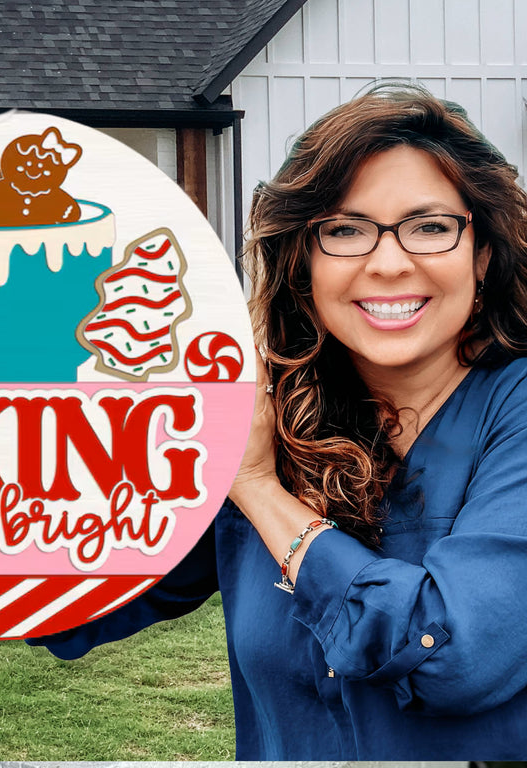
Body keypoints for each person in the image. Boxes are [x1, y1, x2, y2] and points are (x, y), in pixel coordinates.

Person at [28, 83, 527, 759]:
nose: (387, 262)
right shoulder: (269, 415)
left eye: (430, 226)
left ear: (484, 252)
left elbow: (454, 656)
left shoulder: (512, 413)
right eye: (345, 230)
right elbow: (73, 597)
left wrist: (261, 490)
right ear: (304, 262)